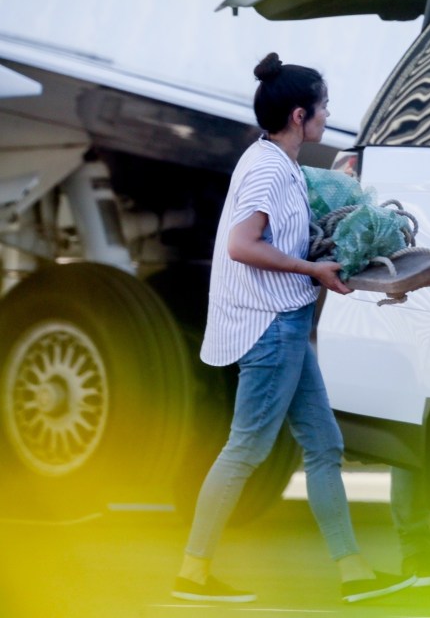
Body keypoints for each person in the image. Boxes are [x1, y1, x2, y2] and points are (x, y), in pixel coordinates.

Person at [171, 52, 415, 604]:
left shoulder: (271, 160)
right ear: (301, 115)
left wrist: (341, 183)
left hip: (283, 323)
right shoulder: (266, 169)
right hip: (270, 328)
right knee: (246, 450)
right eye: (324, 107)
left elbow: (291, 202)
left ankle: (353, 572)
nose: (329, 115)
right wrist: (313, 270)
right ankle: (191, 572)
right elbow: (242, 244)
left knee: (324, 445)